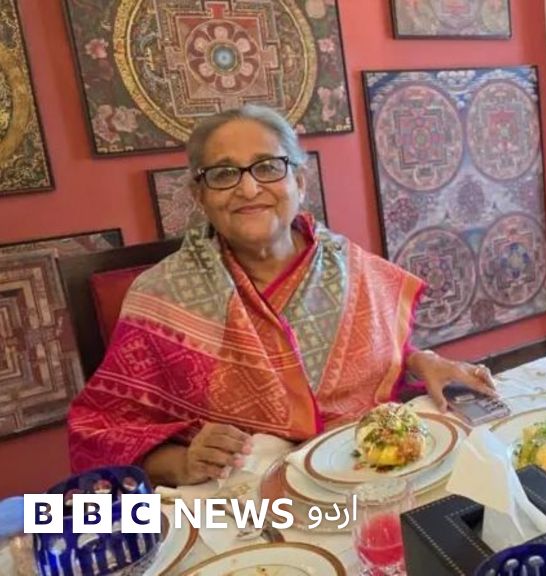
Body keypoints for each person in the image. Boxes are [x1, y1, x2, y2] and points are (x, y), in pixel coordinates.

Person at [68, 105, 496, 485]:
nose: (248, 189)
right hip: (243, 498)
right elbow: (103, 431)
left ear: (300, 182)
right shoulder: (161, 297)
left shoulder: (349, 266)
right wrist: (181, 463)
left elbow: (367, 355)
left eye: (268, 167)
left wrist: (422, 360)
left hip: (370, 473)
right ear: (199, 195)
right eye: (223, 174)